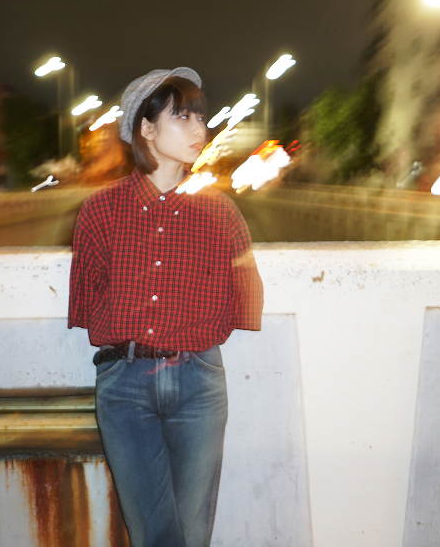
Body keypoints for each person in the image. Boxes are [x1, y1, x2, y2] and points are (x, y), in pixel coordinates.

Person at [68, 67, 264, 547]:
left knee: (192, 534)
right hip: (125, 383)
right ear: (146, 128)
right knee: (152, 534)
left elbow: (244, 296)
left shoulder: (220, 212)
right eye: (183, 116)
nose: (200, 128)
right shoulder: (100, 211)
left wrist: (197, 337)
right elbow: (89, 299)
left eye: (200, 116)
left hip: (199, 382)